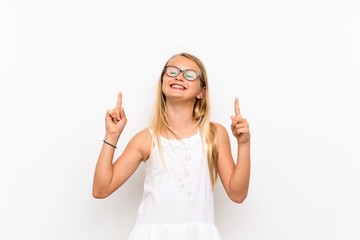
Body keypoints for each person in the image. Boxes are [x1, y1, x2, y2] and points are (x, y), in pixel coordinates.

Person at [92, 52, 251, 239]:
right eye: (172, 72)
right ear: (162, 83)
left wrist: (244, 144)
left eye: (190, 74)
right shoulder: (145, 139)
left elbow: (237, 194)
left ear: (202, 92)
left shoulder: (214, 134)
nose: (179, 77)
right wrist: (112, 135)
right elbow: (101, 189)